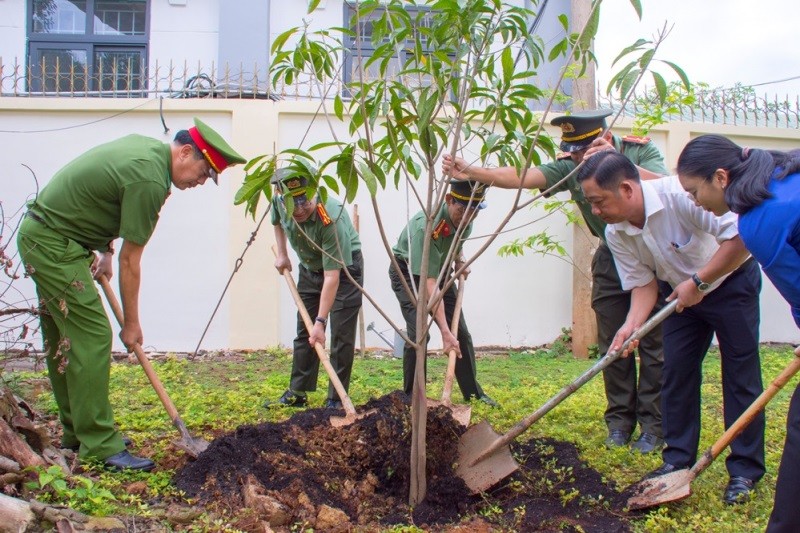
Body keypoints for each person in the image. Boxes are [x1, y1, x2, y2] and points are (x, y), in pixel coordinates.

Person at [17, 118, 246, 471]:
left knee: (64, 336)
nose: (201, 182)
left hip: (47, 236)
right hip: (54, 243)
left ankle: (77, 431)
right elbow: (131, 261)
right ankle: (98, 443)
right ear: (185, 152)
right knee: (92, 334)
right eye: (203, 172)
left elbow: (105, 202)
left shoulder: (146, 152)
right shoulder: (150, 179)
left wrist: (104, 250)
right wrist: (133, 325)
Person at [442, 109, 668, 452]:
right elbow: (526, 175)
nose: (579, 158)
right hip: (612, 254)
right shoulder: (573, 165)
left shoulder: (638, 152)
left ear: (603, 136)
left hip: (652, 253)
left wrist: (617, 163)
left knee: (653, 341)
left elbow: (668, 186)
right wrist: (473, 171)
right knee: (613, 341)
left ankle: (654, 426)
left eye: (584, 149)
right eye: (573, 151)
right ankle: (620, 422)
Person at [576, 150, 764, 505]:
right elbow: (643, 285)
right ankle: (677, 459)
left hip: (730, 282)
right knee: (675, 373)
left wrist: (700, 281)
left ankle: (744, 470)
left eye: (599, 201)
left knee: (741, 374)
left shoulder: (682, 195)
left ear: (628, 189)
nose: (595, 211)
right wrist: (631, 326)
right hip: (679, 294)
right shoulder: (616, 233)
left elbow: (740, 240)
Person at [674, 135, 800, 524]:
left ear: (722, 177)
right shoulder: (782, 174)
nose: (694, 201)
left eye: (695, 191)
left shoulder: (761, 222)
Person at [390, 180, 497, 406]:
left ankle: (473, 393)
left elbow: (454, 244)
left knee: (462, 334)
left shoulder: (466, 219)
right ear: (449, 200)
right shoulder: (425, 227)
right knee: (418, 335)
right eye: (462, 210)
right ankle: (412, 397)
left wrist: (459, 260)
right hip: (408, 273)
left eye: (474, 211)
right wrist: (445, 332)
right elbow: (429, 285)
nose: (468, 217)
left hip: (438, 270)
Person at [265, 169, 363, 410]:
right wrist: (282, 254)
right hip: (309, 267)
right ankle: (298, 391)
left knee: (340, 334)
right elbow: (277, 222)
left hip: (344, 270)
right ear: (282, 197)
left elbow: (332, 277)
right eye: (293, 206)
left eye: (305, 205)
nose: (298, 211)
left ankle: (336, 399)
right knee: (305, 331)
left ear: (313, 194)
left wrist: (321, 321)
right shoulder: (279, 202)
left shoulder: (331, 217)